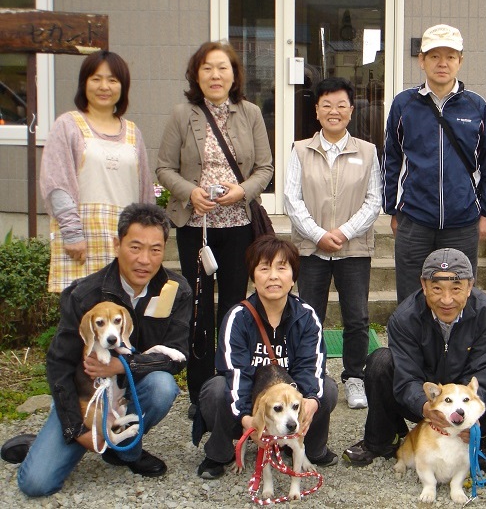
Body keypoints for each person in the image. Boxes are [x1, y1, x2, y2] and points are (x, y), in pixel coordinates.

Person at [3, 203, 191, 497]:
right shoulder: (84, 294)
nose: (145, 260)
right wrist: (76, 430)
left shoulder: (176, 289)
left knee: (162, 387)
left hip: (131, 387)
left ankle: (122, 451)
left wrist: (124, 367)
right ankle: (41, 442)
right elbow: (58, 365)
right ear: (117, 244)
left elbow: (178, 356)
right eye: (135, 247)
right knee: (36, 484)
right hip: (86, 397)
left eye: (155, 250)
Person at [156, 41, 274, 417]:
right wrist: (190, 192)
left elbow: (265, 169)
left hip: (238, 225)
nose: (215, 75)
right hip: (196, 226)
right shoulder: (181, 114)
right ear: (197, 74)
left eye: (222, 68)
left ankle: (233, 383)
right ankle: (201, 393)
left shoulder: (251, 113)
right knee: (198, 309)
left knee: (234, 306)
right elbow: (163, 168)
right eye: (207, 68)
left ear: (235, 74)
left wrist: (242, 191)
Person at [342, 248, 486, 473]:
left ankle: (477, 439)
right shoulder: (403, 318)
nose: (446, 300)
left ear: (470, 286)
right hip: (426, 399)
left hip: (462, 401)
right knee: (380, 362)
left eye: (456, 289)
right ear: (423, 286)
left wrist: (468, 416)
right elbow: (406, 378)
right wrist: (427, 408)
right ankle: (383, 439)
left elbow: (480, 372)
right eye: (436, 288)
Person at [195, 236, 338, 479]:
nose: (273, 276)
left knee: (328, 388)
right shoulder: (238, 317)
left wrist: (311, 401)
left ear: (293, 277)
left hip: (287, 405)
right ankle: (220, 451)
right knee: (216, 389)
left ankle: (308, 447)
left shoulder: (306, 317)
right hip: (250, 401)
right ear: (253, 277)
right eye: (264, 268)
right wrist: (247, 419)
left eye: (282, 268)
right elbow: (235, 373)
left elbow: (310, 368)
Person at [382, 24, 486, 303]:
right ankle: (412, 348)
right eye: (434, 56)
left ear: (460, 61)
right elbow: (390, 157)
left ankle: (453, 348)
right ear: (421, 60)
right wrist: (392, 208)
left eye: (450, 56)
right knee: (411, 299)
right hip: (414, 217)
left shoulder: (476, 106)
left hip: (462, 220)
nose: (442, 63)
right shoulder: (404, 104)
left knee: (457, 298)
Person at [284, 77, 381, 410]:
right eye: (327, 105)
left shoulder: (367, 152)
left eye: (341, 105)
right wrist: (318, 235)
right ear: (316, 110)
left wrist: (344, 232)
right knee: (310, 315)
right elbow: (291, 199)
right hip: (311, 249)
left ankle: (355, 377)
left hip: (353, 249)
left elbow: (373, 200)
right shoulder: (300, 150)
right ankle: (312, 376)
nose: (334, 111)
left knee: (357, 317)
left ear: (351, 111)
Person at [39, 50, 155, 293]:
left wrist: (148, 239)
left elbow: (145, 193)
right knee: (82, 314)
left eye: (113, 80)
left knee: (122, 315)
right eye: (96, 78)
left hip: (125, 241)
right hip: (83, 240)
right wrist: (72, 234)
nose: (104, 86)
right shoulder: (68, 125)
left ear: (123, 87)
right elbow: (56, 183)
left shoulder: (133, 132)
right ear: (84, 83)